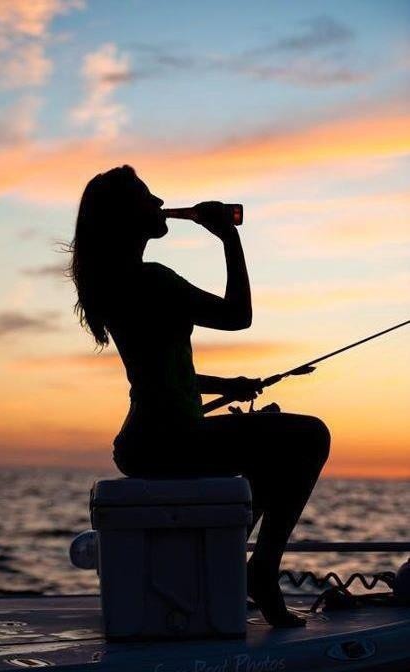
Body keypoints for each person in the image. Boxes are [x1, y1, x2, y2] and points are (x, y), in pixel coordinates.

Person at [68, 164, 330, 628]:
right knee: (310, 436)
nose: (158, 202)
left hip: (144, 443)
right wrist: (228, 237)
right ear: (127, 217)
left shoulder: (118, 283)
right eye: (147, 196)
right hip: (172, 440)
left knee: (270, 454)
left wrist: (227, 386)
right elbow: (237, 316)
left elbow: (160, 374)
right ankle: (259, 570)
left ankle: (231, 565)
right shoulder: (152, 280)